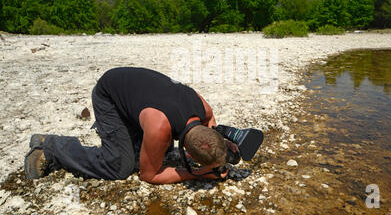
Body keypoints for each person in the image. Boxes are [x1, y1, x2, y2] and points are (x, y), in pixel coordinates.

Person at [24, 67, 238, 184]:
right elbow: (149, 176)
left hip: (136, 91)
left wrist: (223, 144)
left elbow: (211, 124)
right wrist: (197, 173)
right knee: (120, 166)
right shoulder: (159, 127)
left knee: (156, 153)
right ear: (188, 155)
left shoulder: (202, 107)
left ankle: (129, 135)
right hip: (110, 96)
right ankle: (50, 146)